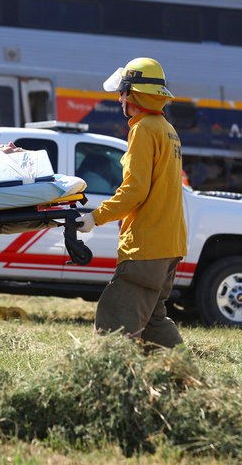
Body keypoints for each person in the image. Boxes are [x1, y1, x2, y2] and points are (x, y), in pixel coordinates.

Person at [76, 57, 187, 351]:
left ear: (133, 94)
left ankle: (108, 382)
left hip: (147, 248)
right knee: (152, 322)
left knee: (114, 318)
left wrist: (95, 217)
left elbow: (134, 190)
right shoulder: (166, 129)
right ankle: (185, 375)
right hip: (169, 245)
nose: (119, 99)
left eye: (122, 93)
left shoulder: (143, 130)